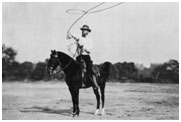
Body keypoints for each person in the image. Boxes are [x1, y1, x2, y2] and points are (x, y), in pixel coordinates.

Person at [67, 25, 98, 89]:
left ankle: (93, 83)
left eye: (85, 30)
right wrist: (69, 35)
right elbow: (69, 35)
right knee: (73, 68)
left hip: (86, 56)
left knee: (89, 69)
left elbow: (90, 50)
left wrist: (83, 47)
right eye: (83, 30)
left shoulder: (89, 40)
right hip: (79, 56)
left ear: (88, 32)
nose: (84, 31)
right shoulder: (78, 37)